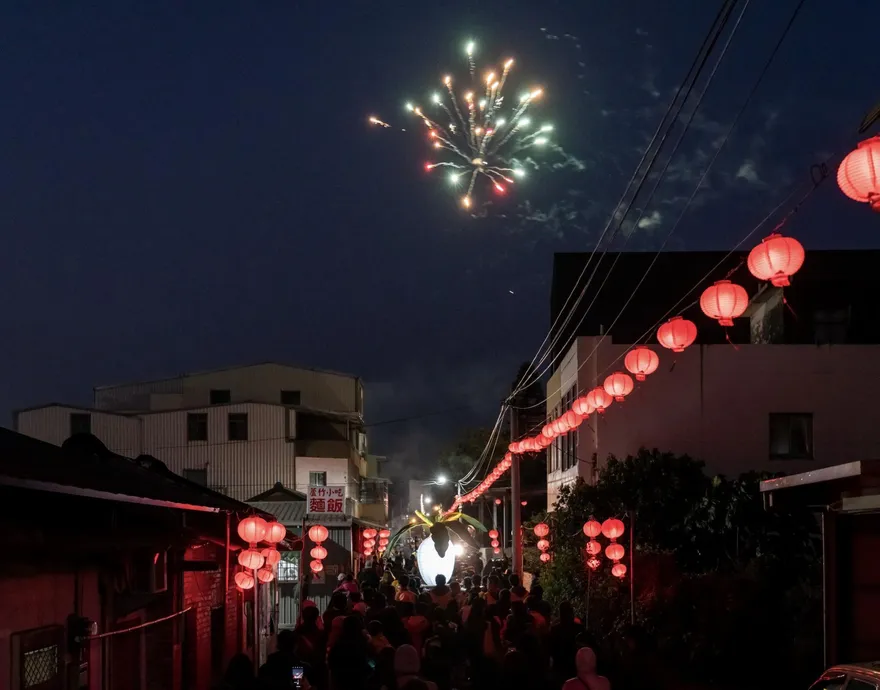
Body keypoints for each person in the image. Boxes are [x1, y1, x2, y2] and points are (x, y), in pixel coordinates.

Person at [327, 615, 372, 690]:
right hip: (359, 681)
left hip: (341, 682)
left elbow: (331, 663)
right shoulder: (363, 644)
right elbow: (370, 661)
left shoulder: (338, 645)